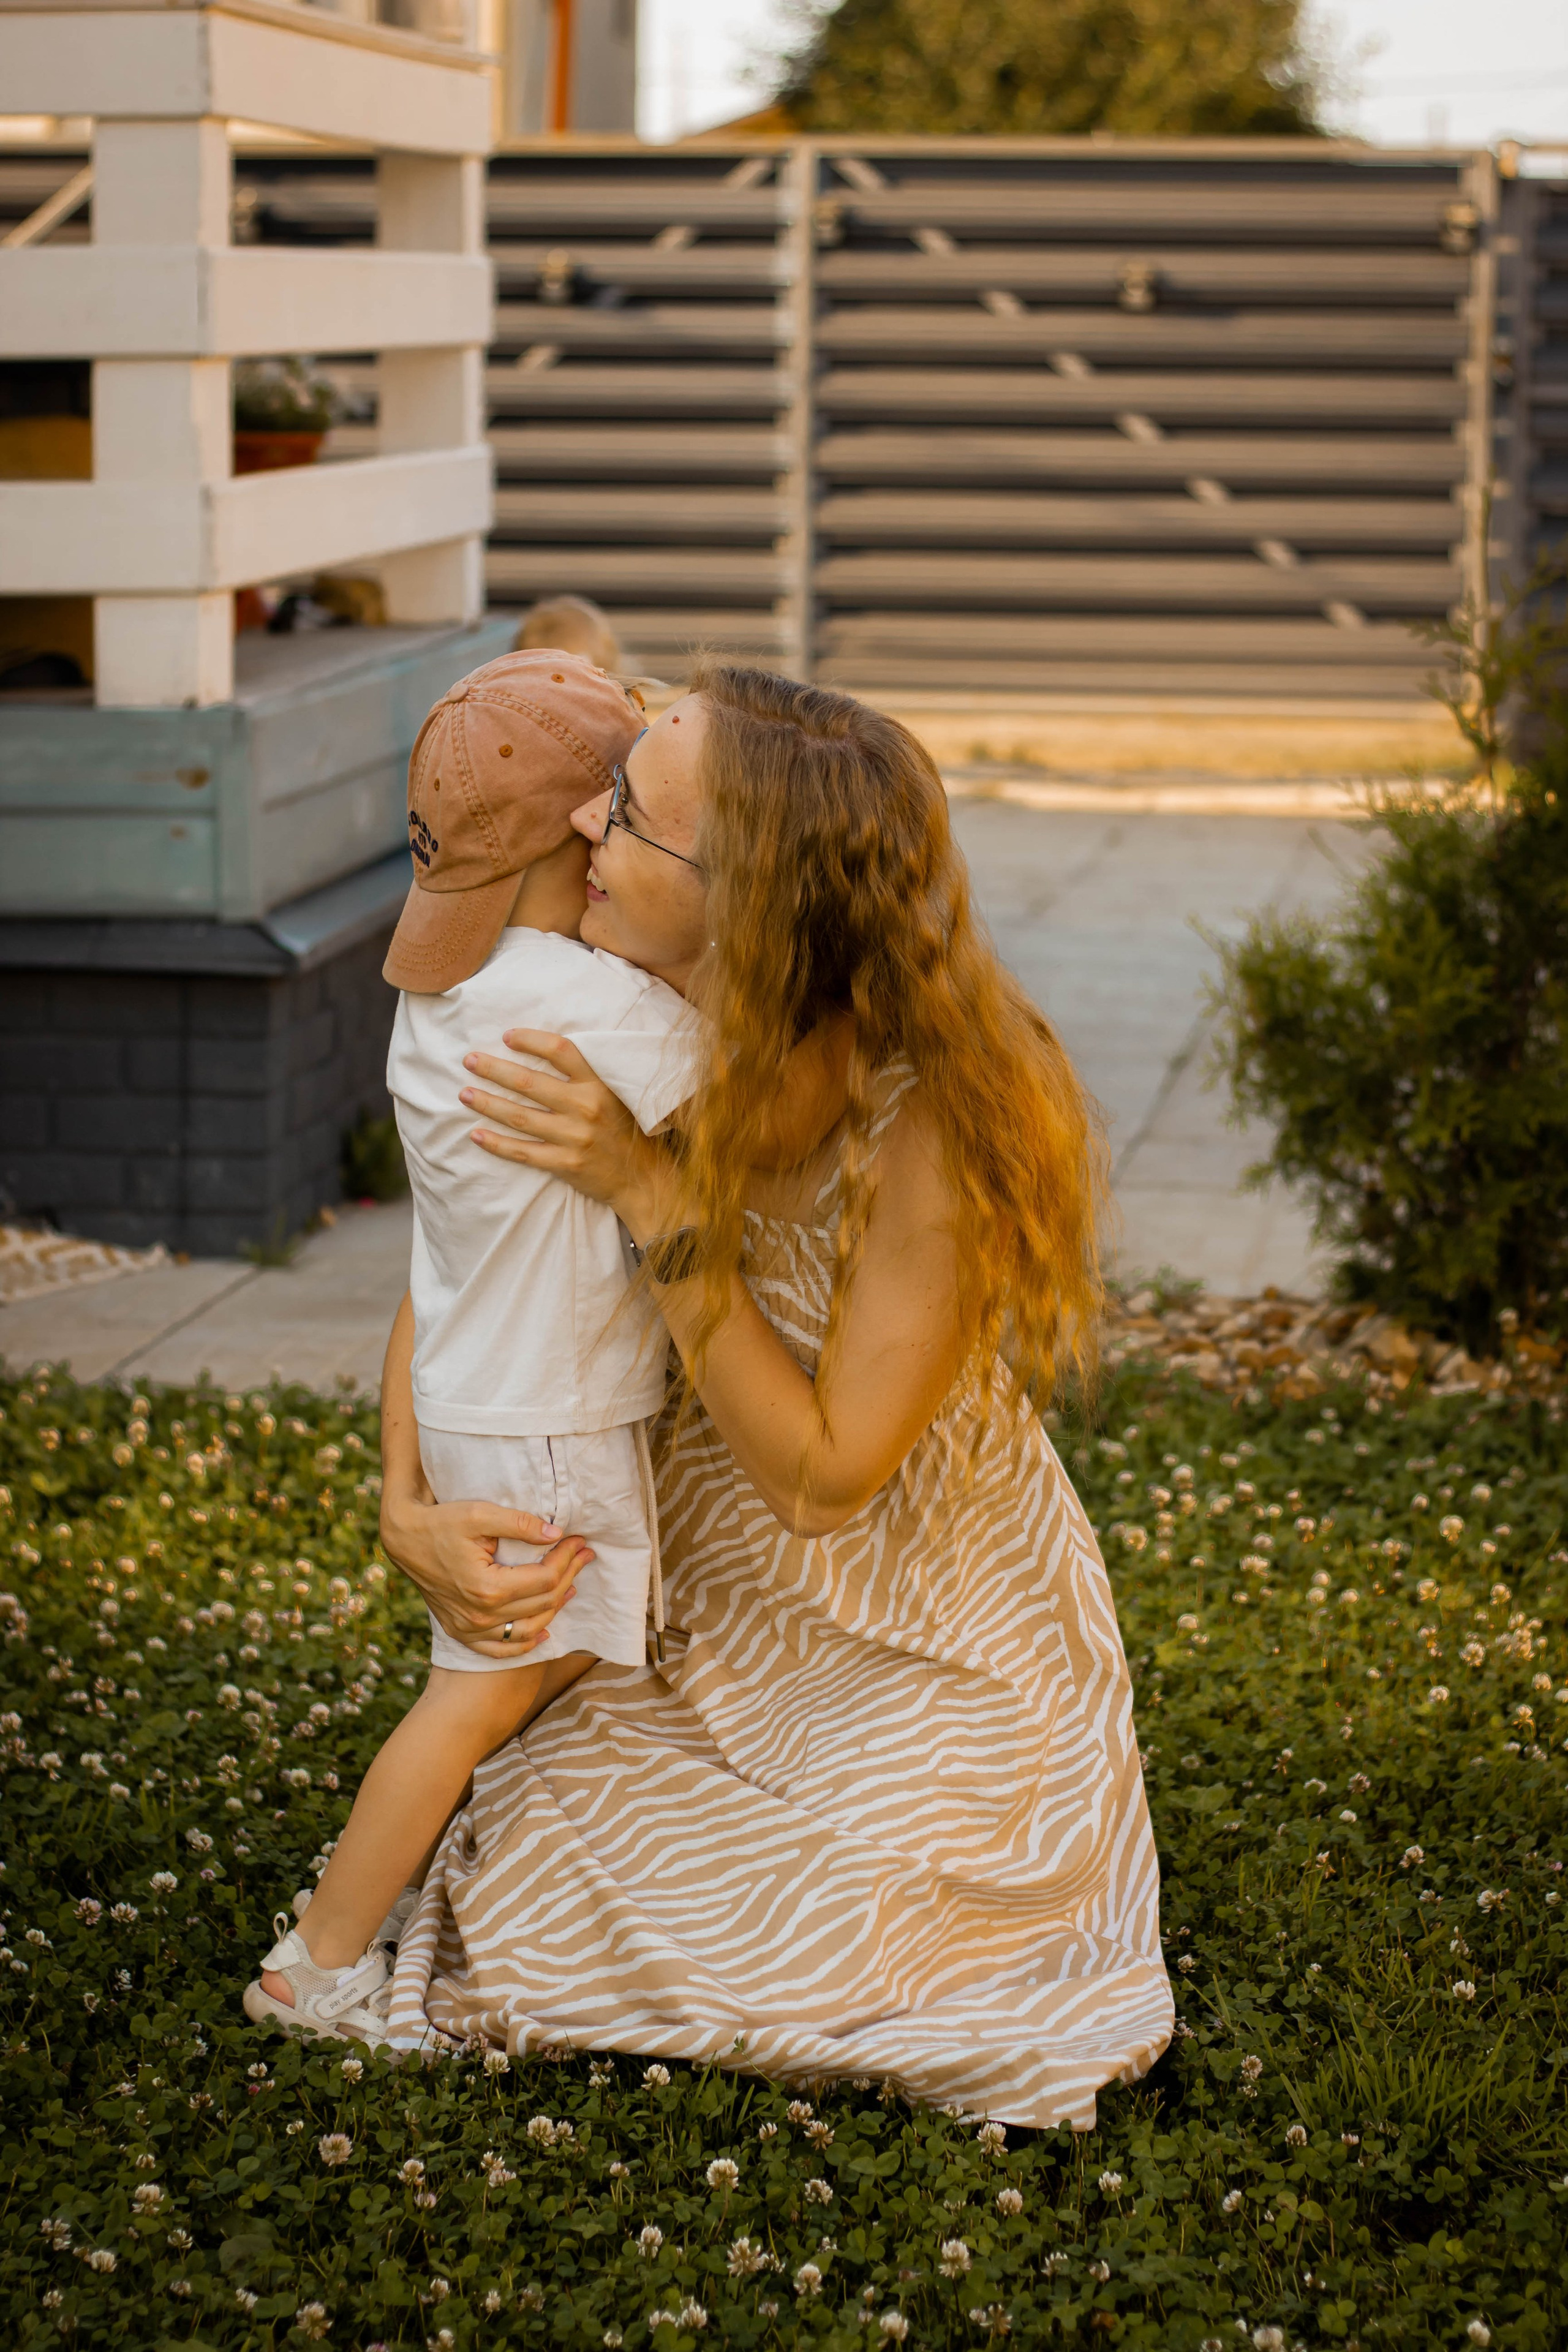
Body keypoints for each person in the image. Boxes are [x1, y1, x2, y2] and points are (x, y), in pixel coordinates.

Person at [378, 663, 1174, 2126]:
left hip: (921, 1621)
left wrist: (645, 1189)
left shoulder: (941, 1107)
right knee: (529, 1888)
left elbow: (823, 1482)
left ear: (755, 900)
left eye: (620, 810)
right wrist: (401, 1499)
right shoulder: (618, 992)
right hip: (705, 1601)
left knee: (898, 1948)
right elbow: (455, 1249)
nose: (579, 823)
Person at [244, 650, 698, 2043]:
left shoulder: (447, 991)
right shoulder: (579, 1005)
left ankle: (404, 1897)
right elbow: (750, 1057)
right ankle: (316, 1964)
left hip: (474, 1394)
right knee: (485, 1691)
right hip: (543, 1416)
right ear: (589, 837)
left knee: (514, 1674)